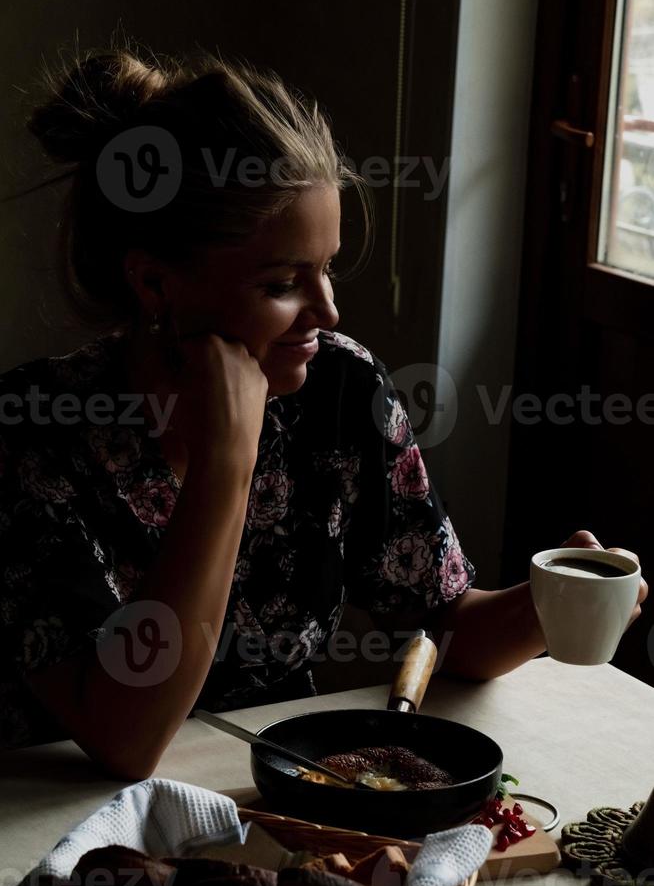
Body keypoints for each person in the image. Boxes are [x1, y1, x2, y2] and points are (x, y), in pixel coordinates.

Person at [0, 43, 647, 779]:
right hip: (53, 831)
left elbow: (441, 623)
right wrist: (225, 465)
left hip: (270, 801)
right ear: (154, 285)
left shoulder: (339, 390)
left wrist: (544, 605)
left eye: (328, 266)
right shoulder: (30, 435)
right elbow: (125, 740)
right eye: (283, 281)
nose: (328, 309)